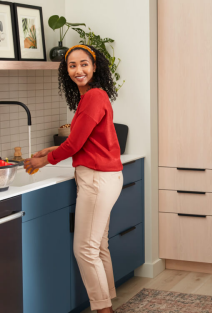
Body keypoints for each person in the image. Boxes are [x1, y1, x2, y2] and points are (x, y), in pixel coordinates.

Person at [24, 44, 123, 313]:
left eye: (83, 64)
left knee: (85, 250)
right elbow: (86, 140)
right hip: (106, 176)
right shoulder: (95, 96)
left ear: (95, 66)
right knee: (98, 246)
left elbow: (76, 144)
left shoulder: (92, 97)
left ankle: (102, 309)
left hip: (97, 180)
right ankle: (107, 303)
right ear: (65, 70)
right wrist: (51, 149)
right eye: (72, 65)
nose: (78, 70)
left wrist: (41, 161)